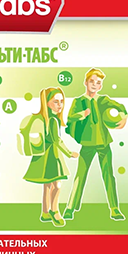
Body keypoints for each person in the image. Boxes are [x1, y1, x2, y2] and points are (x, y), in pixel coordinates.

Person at [64, 68, 128, 221]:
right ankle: (70, 208)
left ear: (100, 86)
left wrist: (123, 117)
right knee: (80, 175)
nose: (94, 84)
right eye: (92, 81)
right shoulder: (78, 101)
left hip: (104, 143)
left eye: (98, 82)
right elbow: (70, 118)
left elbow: (121, 107)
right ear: (85, 82)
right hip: (87, 143)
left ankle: (114, 209)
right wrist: (82, 114)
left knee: (108, 175)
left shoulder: (103, 100)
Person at [22, 87, 79, 227]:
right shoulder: (53, 120)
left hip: (43, 156)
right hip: (53, 156)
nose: (60, 105)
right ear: (47, 103)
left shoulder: (45, 118)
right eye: (56, 102)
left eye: (62, 101)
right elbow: (57, 140)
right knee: (57, 185)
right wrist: (69, 153)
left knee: (47, 185)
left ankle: (45, 212)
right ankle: (55, 211)